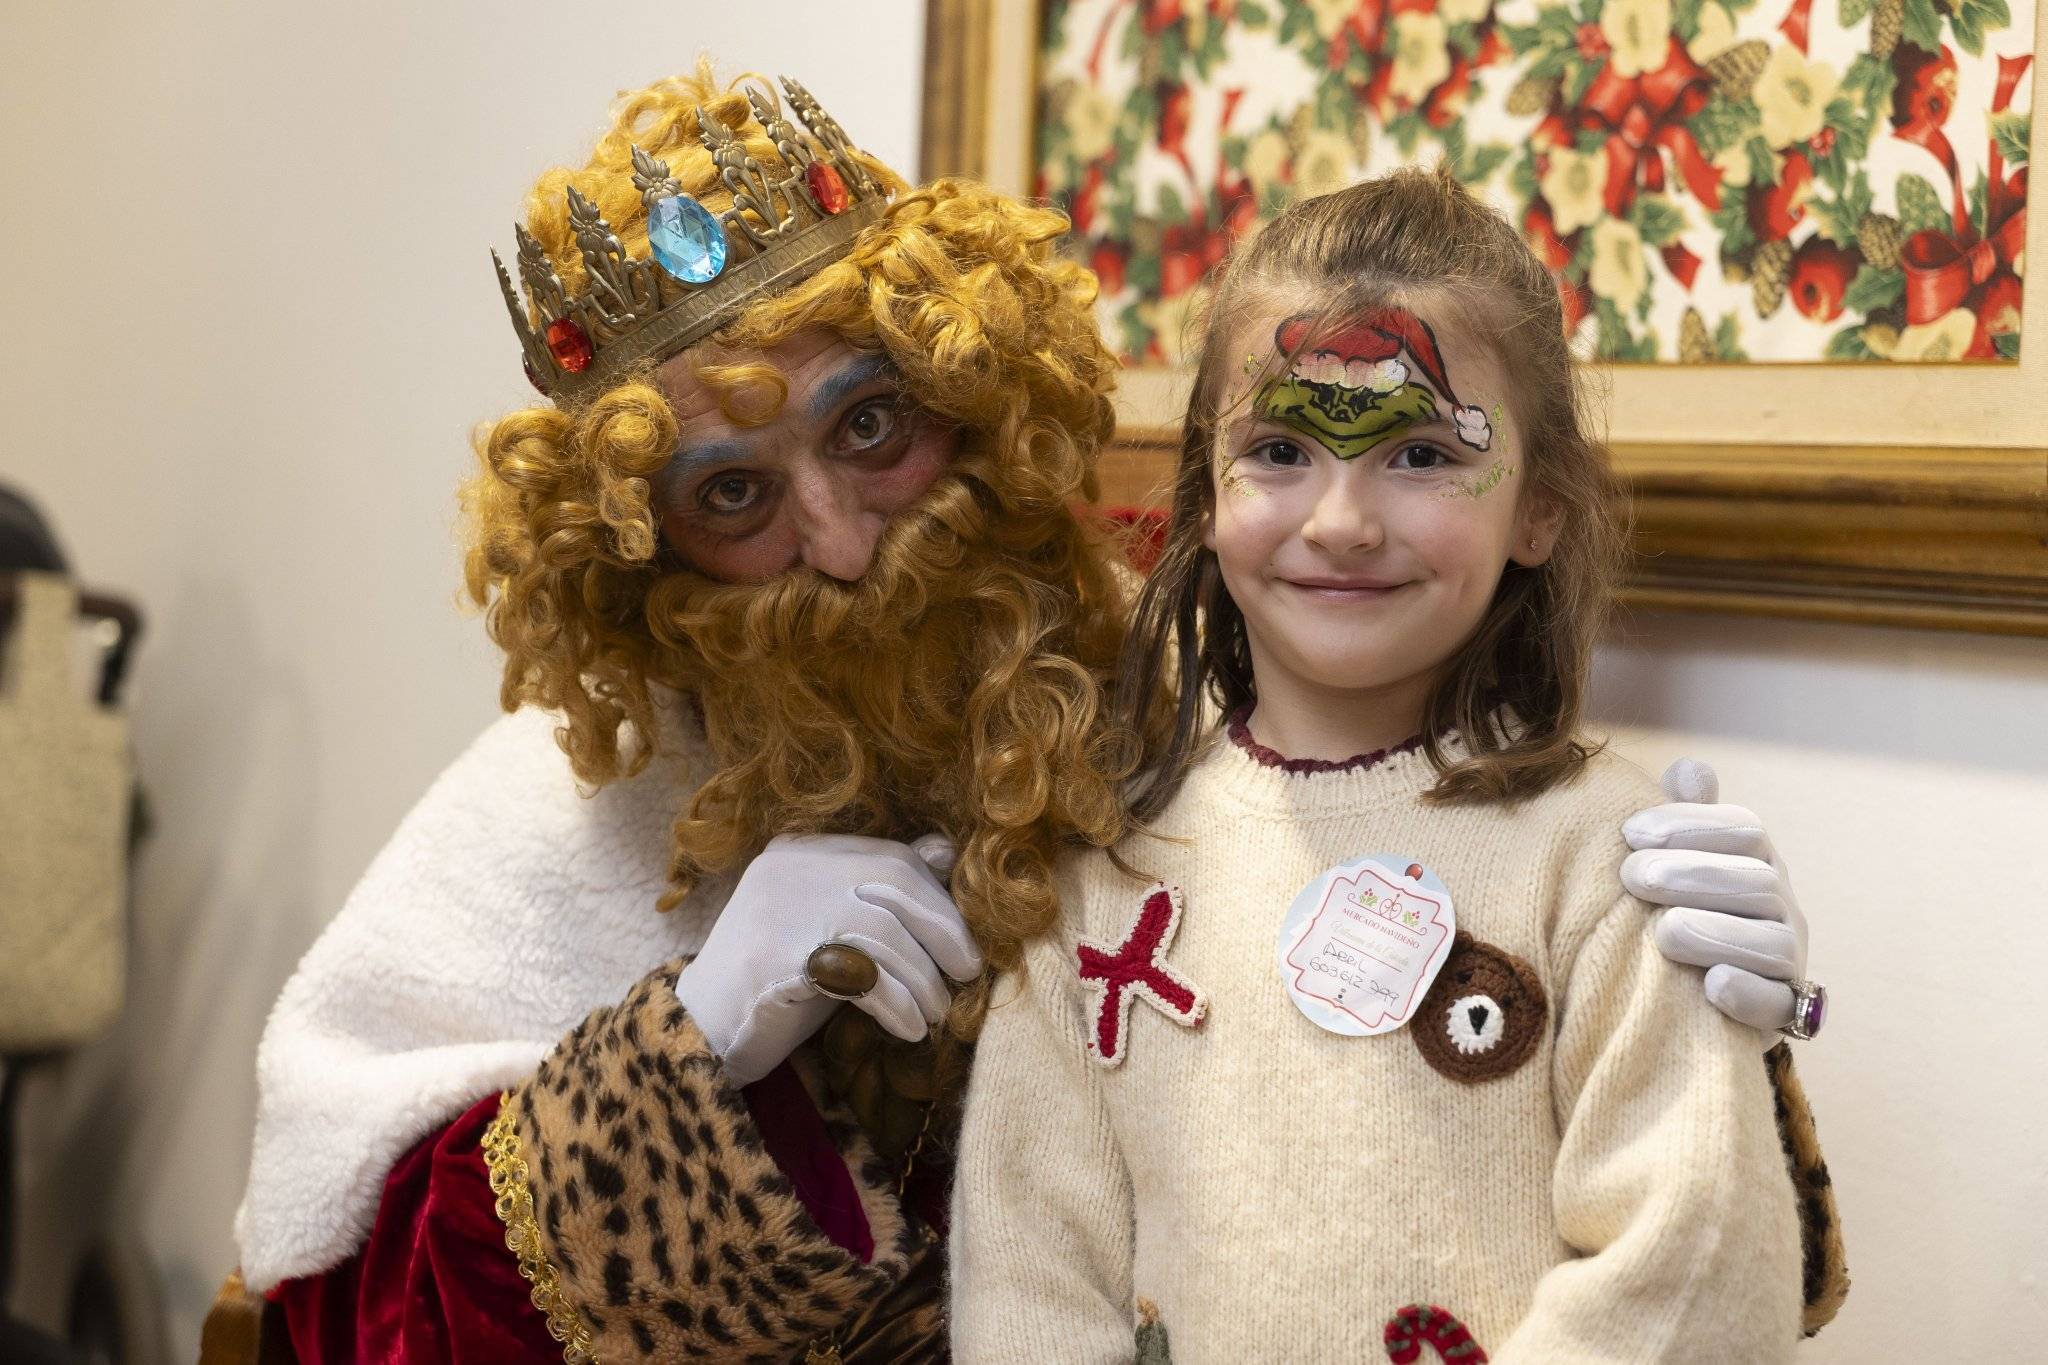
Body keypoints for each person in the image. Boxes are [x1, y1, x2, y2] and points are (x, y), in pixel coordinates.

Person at [231, 69, 1830, 1363]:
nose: (840, 541)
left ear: (969, 395)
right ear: (641, 555)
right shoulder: (576, 794)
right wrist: (697, 1045)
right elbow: (348, 1320)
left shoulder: (1187, 672)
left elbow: (1658, 1228)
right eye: (732, 495)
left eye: (872, 426)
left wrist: (1720, 1002)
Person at [949, 166, 1842, 1362]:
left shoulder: (1606, 869)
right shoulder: (1097, 865)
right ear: (1202, 498)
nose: (1339, 522)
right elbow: (1027, 1289)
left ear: (1539, 508)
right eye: (1278, 449)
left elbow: (1696, 1276)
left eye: (1418, 456)